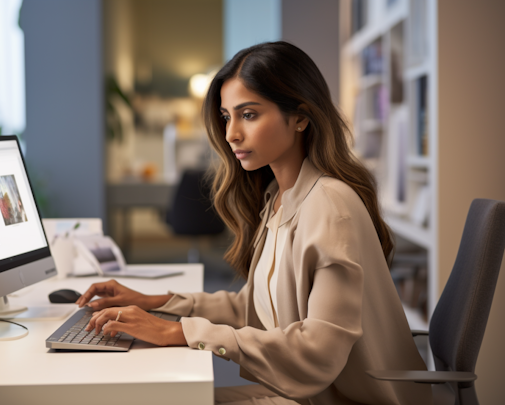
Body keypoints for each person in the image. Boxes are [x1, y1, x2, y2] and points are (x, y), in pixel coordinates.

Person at [76, 42, 432, 405]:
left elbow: (318, 351)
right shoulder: (278, 197)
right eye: (228, 116)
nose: (231, 134)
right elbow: (250, 308)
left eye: (248, 114)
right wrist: (154, 301)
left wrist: (178, 331)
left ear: (300, 117)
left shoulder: (329, 203)